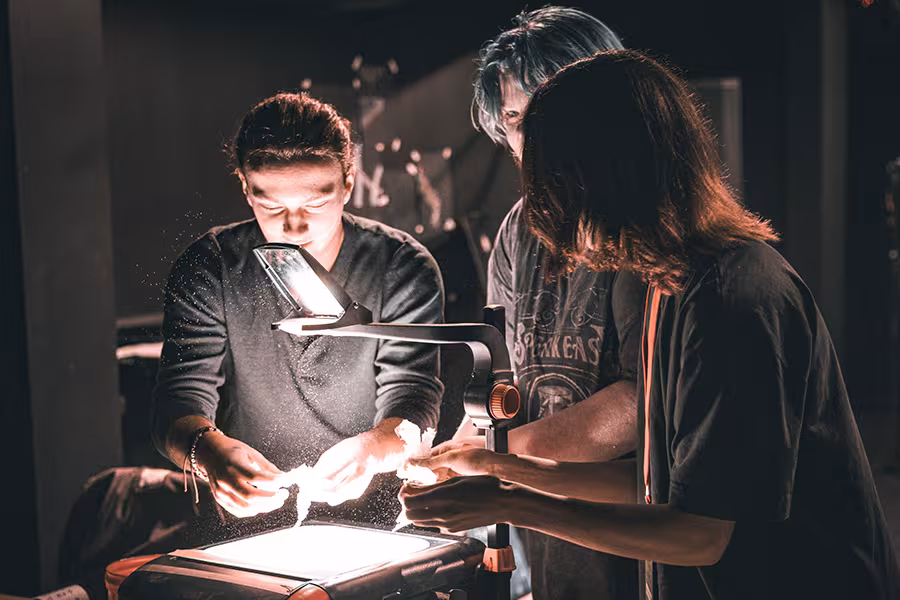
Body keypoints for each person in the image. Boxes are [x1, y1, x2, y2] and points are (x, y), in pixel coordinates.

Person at [401, 50, 900, 600]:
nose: (551, 220)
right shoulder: (672, 283)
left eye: (554, 189)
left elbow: (698, 532)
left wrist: (507, 500)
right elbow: (653, 482)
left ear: (604, 178)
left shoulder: (732, 301)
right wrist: (497, 467)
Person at [152, 92, 444, 537]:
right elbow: (178, 399)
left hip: (381, 527)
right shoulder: (211, 266)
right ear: (247, 189)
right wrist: (207, 453)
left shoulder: (401, 267)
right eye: (273, 207)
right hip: (248, 528)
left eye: (314, 204)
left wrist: (372, 449)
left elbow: (414, 394)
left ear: (348, 184)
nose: (294, 227)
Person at [453, 7, 644, 600]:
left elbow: (645, 401)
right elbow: (505, 390)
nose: (531, 134)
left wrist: (492, 458)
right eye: (513, 117)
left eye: (546, 107)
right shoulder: (517, 231)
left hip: (641, 542)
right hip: (552, 551)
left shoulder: (643, 221)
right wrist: (456, 449)